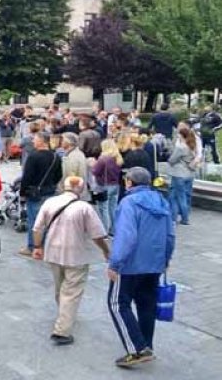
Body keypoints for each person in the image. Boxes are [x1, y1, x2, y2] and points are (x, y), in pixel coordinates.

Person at [107, 167, 175, 368]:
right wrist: (165, 258)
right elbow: (170, 235)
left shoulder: (128, 202)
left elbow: (126, 237)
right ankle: (147, 344)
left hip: (130, 265)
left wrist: (115, 263)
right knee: (146, 305)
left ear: (129, 182)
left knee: (117, 303)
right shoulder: (162, 201)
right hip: (154, 264)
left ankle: (137, 349)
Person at [32, 177, 110, 346]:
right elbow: (98, 235)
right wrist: (106, 250)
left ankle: (64, 315)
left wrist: (37, 246)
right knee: (71, 291)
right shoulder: (84, 208)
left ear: (63, 187)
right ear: (80, 190)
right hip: (77, 255)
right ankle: (62, 330)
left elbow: (37, 228)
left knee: (60, 287)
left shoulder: (50, 202)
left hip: (53, 252)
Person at [20, 132, 63, 255]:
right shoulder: (55, 156)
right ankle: (44, 245)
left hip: (35, 192)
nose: (33, 141)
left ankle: (32, 246)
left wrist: (23, 191)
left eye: (35, 139)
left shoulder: (33, 157)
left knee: (34, 221)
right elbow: (59, 175)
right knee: (46, 220)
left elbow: (27, 176)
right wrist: (51, 184)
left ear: (42, 141)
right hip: (49, 191)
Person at [91, 139, 123, 234]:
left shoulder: (103, 159)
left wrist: (93, 165)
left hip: (104, 185)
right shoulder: (118, 157)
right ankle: (114, 229)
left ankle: (104, 229)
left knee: (103, 208)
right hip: (115, 185)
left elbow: (95, 171)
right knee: (113, 207)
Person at [167, 126, 197, 225]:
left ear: (181, 135)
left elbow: (172, 160)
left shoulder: (181, 147)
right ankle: (181, 217)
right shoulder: (192, 145)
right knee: (184, 196)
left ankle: (182, 218)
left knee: (178, 197)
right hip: (190, 174)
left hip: (179, 174)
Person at [61, 133, 90, 201]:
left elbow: (70, 174)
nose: (61, 142)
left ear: (69, 142)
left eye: (62, 140)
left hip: (73, 192)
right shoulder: (76, 153)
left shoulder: (73, 156)